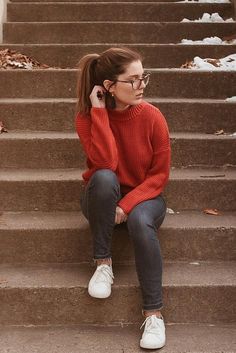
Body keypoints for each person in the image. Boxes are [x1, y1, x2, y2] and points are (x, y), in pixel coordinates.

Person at [75, 47, 171, 350]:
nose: (141, 85)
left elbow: (158, 176)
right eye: (133, 80)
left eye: (143, 78)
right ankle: (103, 263)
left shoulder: (153, 117)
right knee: (104, 178)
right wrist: (100, 113)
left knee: (142, 221)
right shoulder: (87, 118)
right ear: (109, 87)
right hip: (102, 200)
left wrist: (127, 205)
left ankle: (153, 314)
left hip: (146, 198)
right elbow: (105, 164)